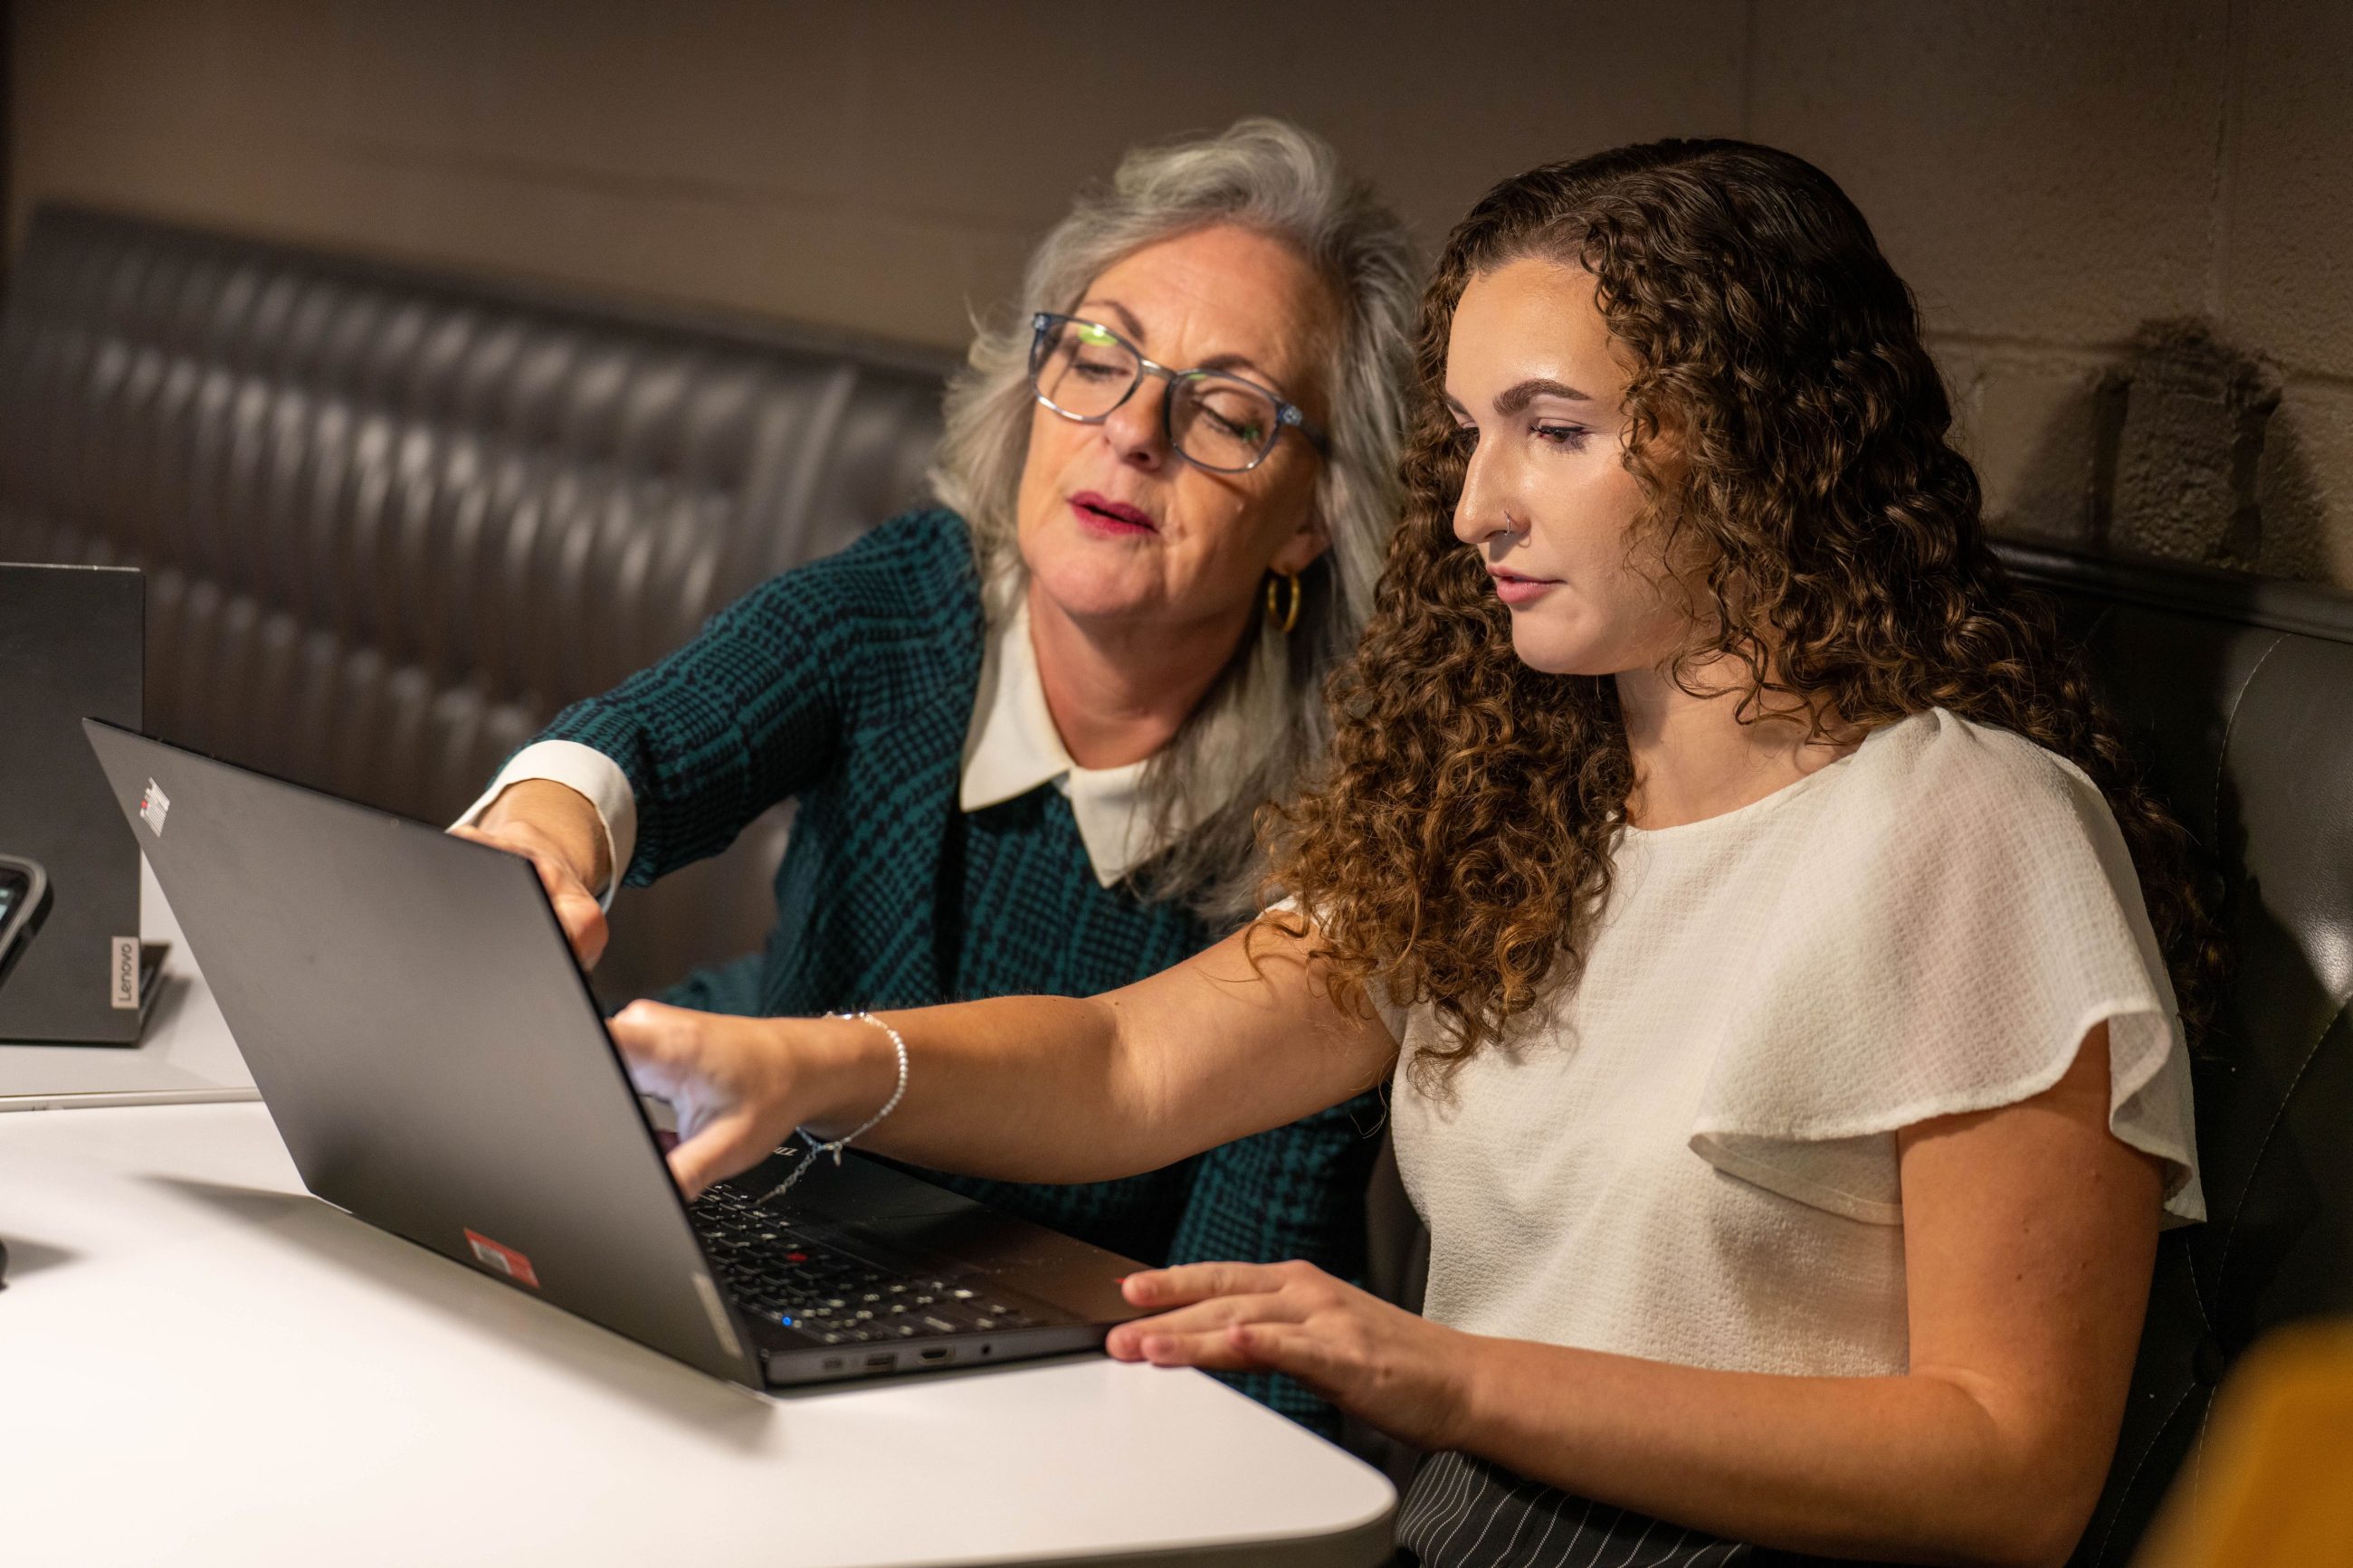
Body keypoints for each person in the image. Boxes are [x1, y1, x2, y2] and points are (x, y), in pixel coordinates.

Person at [604, 139, 2224, 1567]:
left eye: (1555, 429)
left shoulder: (1971, 826)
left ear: (1756, 440)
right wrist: (808, 1069)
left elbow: (2016, 1473)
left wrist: (1435, 1371)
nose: (1474, 510)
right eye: (1469, 434)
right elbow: (1125, 1063)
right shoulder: (1519, 803)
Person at [452, 118, 1420, 1437]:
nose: (1134, 429)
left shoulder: (1344, 826)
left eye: (1230, 411)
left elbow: (1234, 1348)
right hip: (754, 1217)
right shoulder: (910, 599)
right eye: (1097, 355)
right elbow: (639, 747)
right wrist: (542, 831)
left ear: (1312, 516)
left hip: (1055, 1388)